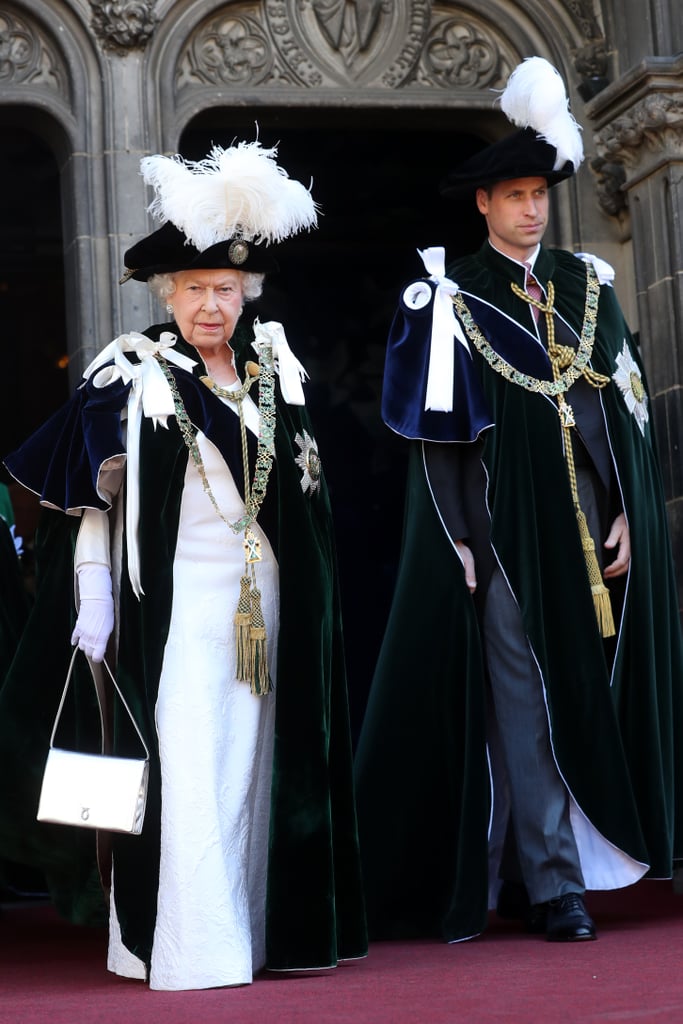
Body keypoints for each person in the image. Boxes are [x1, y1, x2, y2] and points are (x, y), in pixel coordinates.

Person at [0, 140, 367, 989]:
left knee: (257, 770)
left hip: (271, 605)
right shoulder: (133, 374)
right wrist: (94, 595)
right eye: (197, 289)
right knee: (191, 770)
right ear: (170, 294)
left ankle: (254, 933)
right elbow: (94, 507)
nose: (212, 306)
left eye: (227, 291)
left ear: (248, 295)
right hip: (178, 613)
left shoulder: (277, 373)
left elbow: (307, 498)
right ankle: (188, 946)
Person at [354, 57, 683, 945]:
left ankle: (592, 854)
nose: (529, 209)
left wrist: (625, 508)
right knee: (524, 702)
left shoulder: (588, 284)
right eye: (511, 195)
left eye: (538, 192)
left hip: (588, 517)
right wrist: (455, 538)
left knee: (594, 689)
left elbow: (622, 405)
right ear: (483, 205)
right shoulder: (449, 294)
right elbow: (437, 433)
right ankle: (551, 885)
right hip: (501, 528)